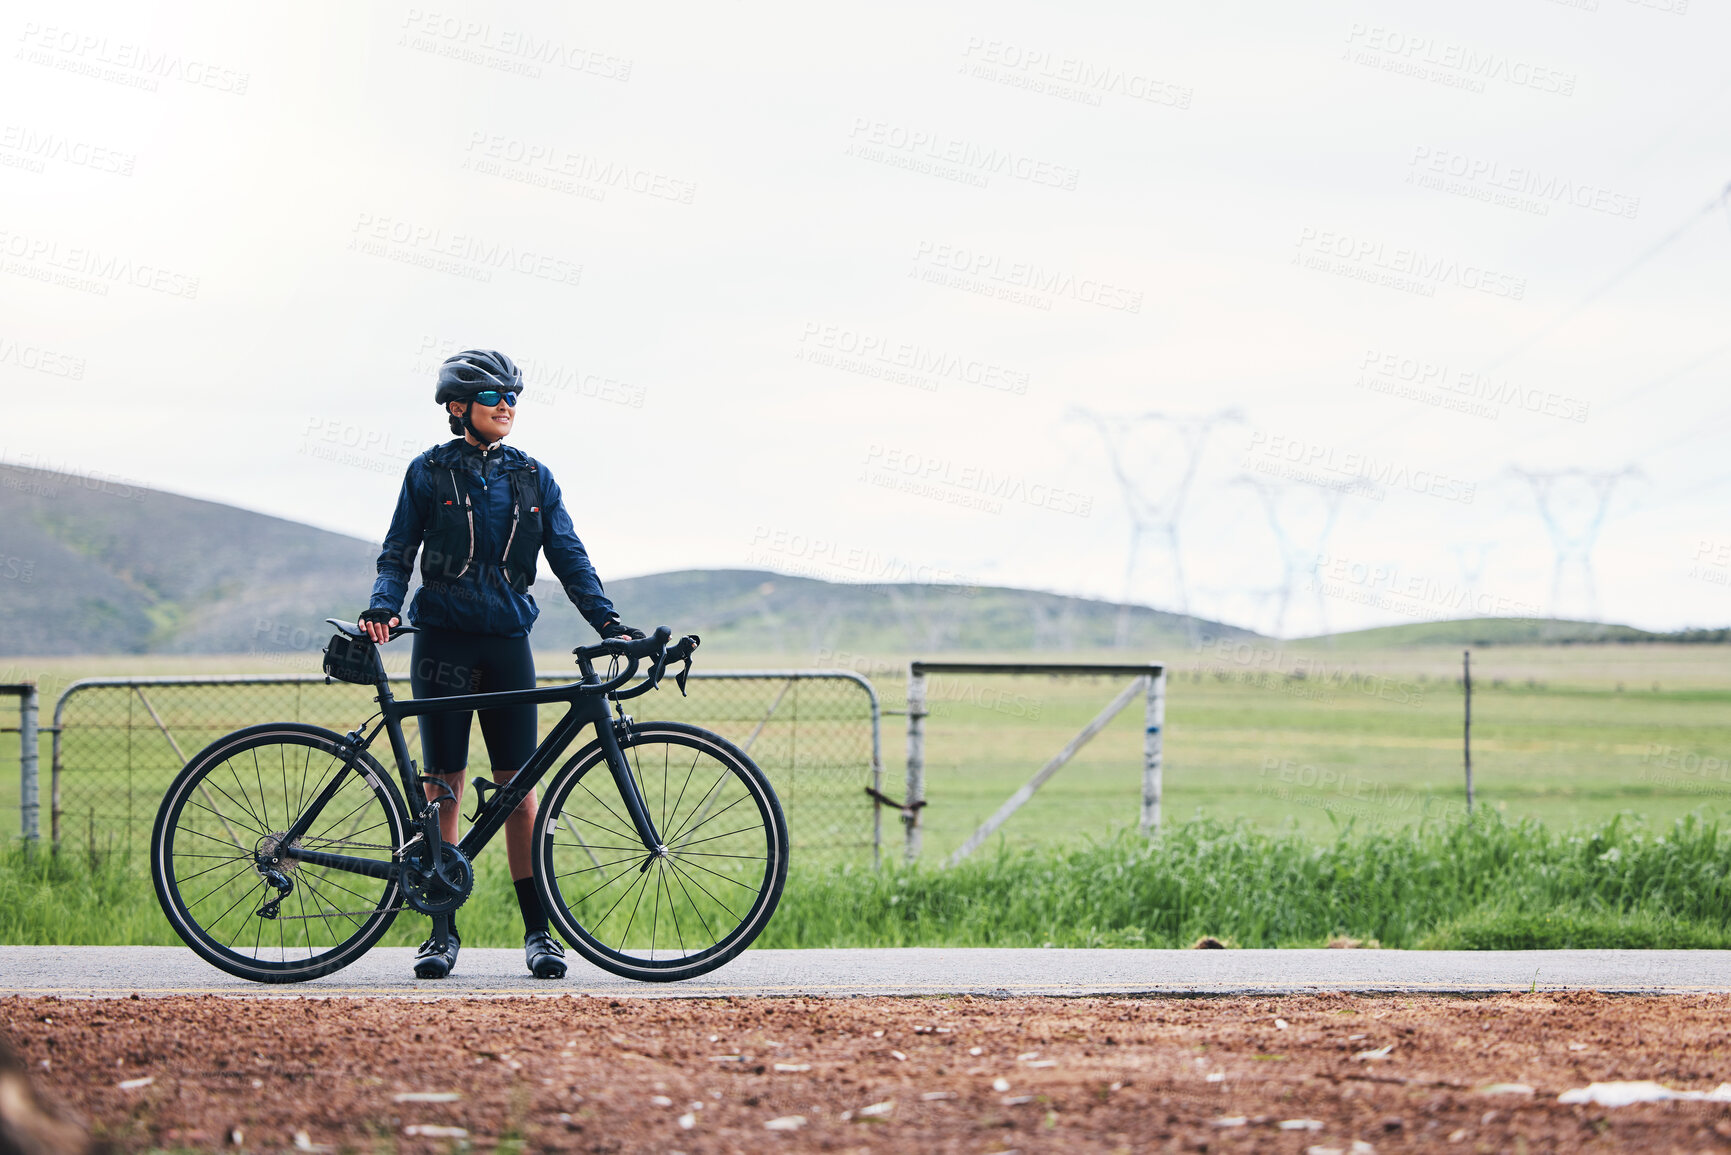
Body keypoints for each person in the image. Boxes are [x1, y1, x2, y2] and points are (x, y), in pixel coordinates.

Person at [359, 349, 644, 980]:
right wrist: (382, 608)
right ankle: (441, 932)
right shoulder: (428, 472)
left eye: (513, 396)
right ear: (459, 407)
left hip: (508, 642)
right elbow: (397, 551)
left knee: (520, 794)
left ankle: (540, 934)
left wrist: (611, 625)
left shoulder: (534, 477)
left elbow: (570, 558)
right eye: (493, 396)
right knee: (444, 788)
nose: (506, 406)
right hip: (442, 642)